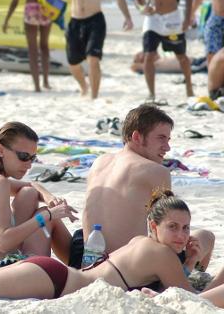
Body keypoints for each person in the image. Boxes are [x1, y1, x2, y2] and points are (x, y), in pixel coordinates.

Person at [0, 190, 222, 304]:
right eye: (173, 227)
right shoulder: (161, 253)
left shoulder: (140, 242)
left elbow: (174, 289)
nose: (181, 235)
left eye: (185, 228)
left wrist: (187, 263)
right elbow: (191, 301)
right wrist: (191, 264)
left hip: (52, 274)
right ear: (153, 226)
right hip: (54, 280)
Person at [69, 104, 214, 271]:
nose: (167, 147)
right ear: (137, 137)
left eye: (168, 140)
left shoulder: (99, 162)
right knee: (205, 237)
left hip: (86, 261)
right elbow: (166, 231)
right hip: (127, 268)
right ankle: (193, 279)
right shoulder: (157, 171)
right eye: (161, 138)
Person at [0, 122, 77, 271]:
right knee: (48, 218)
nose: (28, 165)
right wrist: (47, 215)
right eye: (23, 156)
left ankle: (80, 262)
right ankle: (82, 264)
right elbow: (3, 241)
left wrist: (50, 198)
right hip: (0, 272)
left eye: (32, 158)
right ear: (0, 150)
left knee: (29, 194)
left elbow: (31, 186)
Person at [57, 0, 133, 99]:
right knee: (73, 63)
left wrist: (127, 17)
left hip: (95, 19)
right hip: (75, 20)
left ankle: (94, 96)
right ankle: (84, 86)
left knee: (93, 59)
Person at [135, 0, 194, 100]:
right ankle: (151, 93)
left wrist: (188, 17)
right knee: (148, 55)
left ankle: (189, 86)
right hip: (153, 19)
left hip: (172, 18)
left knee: (181, 56)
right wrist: (142, 8)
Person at [2, 0, 57, 92]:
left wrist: (7, 20)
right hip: (45, 10)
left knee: (32, 50)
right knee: (44, 47)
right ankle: (46, 81)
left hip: (30, 10)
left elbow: (14, 1)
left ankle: (37, 86)